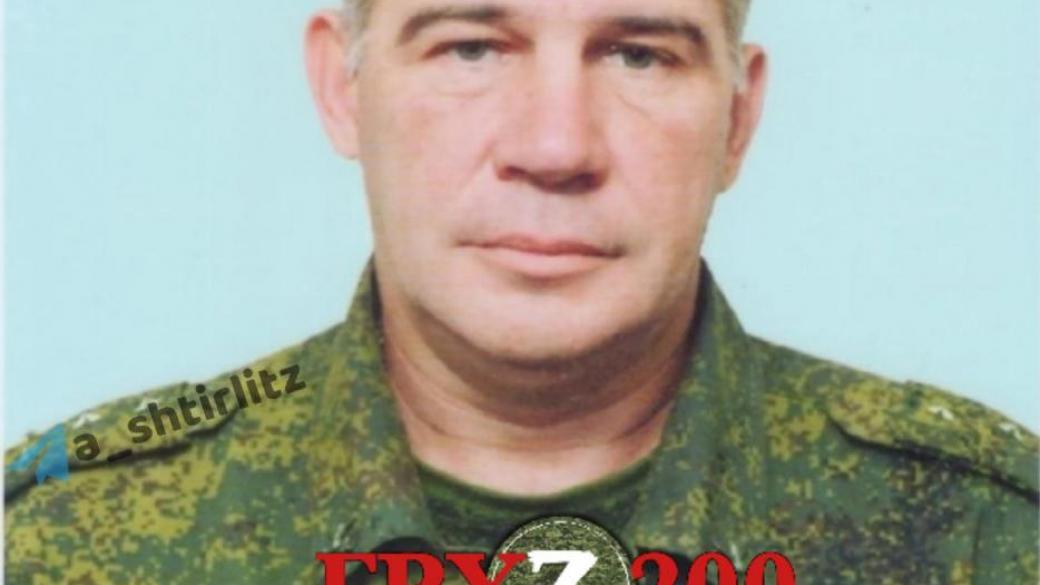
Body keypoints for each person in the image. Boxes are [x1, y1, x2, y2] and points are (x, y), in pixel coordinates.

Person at [5, 0, 1037, 583]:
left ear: (736, 117)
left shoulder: (984, 536)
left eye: (638, 55)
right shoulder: (67, 541)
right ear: (342, 89)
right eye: (470, 47)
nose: (555, 146)